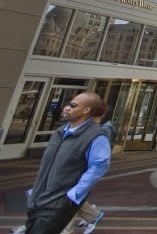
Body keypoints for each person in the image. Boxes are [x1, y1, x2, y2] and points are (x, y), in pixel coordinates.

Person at [21, 92, 111, 234]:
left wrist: (74, 194)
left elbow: (99, 166)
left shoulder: (96, 136)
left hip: (59, 202)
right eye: (68, 104)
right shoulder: (59, 132)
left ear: (86, 110)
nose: (66, 108)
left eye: (73, 105)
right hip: (38, 199)